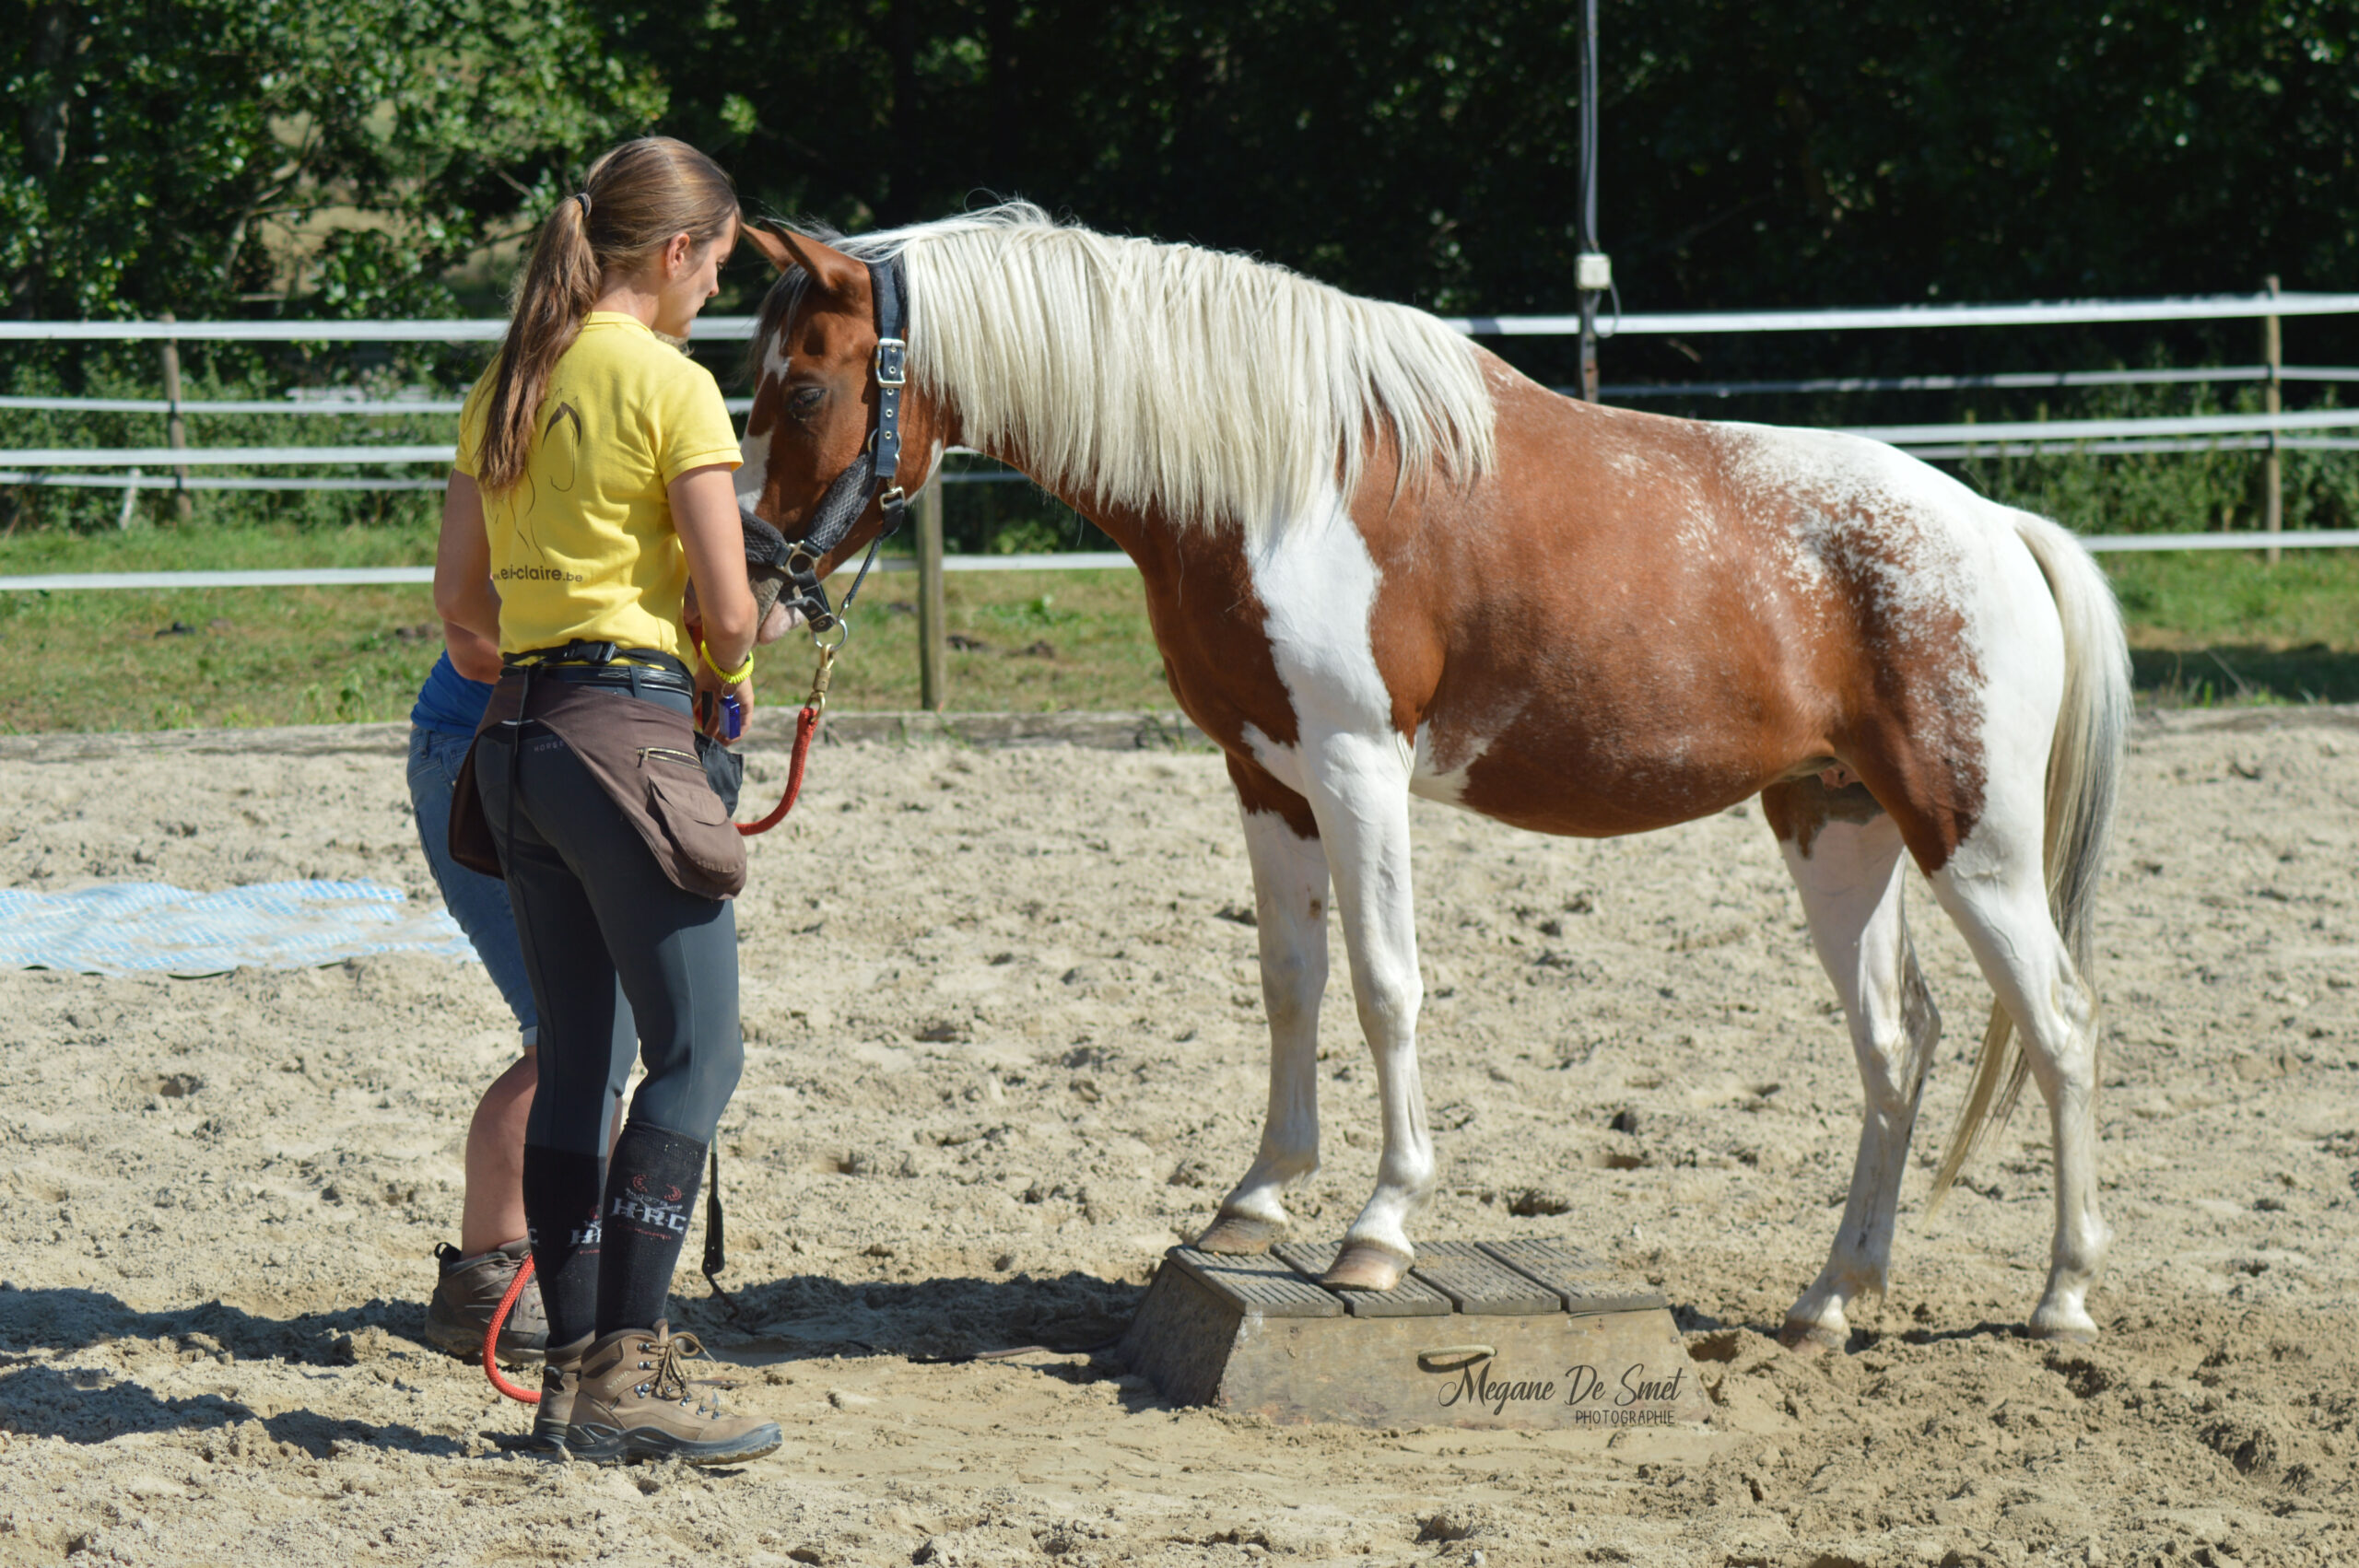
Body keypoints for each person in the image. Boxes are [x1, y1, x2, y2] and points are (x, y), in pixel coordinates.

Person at [432, 135, 779, 1467]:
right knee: (699, 1050)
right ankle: (631, 1365)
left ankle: (578, 1370)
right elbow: (732, 602)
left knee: (585, 1057)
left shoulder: (508, 380)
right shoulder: (671, 385)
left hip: (513, 741)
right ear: (678, 252)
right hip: (626, 734)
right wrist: (723, 679)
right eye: (716, 269)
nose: (712, 300)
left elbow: (462, 616)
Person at [410, 620, 634, 1367]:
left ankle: (550, 1257)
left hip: (569, 750)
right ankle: (492, 1276)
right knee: (568, 1034)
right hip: (496, 753)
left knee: (600, 1033)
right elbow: (474, 635)